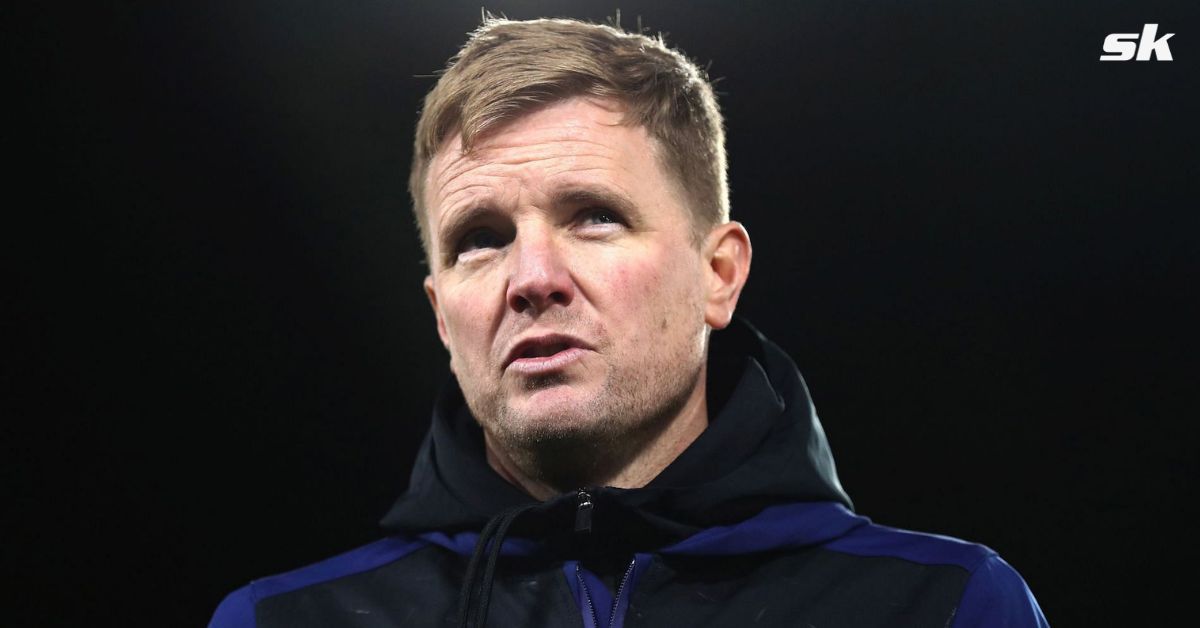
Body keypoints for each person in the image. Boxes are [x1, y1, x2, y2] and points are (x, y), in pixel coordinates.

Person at [211, 17, 1048, 628]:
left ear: (718, 275)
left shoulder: (945, 605)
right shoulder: (281, 621)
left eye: (594, 217)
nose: (532, 279)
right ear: (440, 314)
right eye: (480, 240)